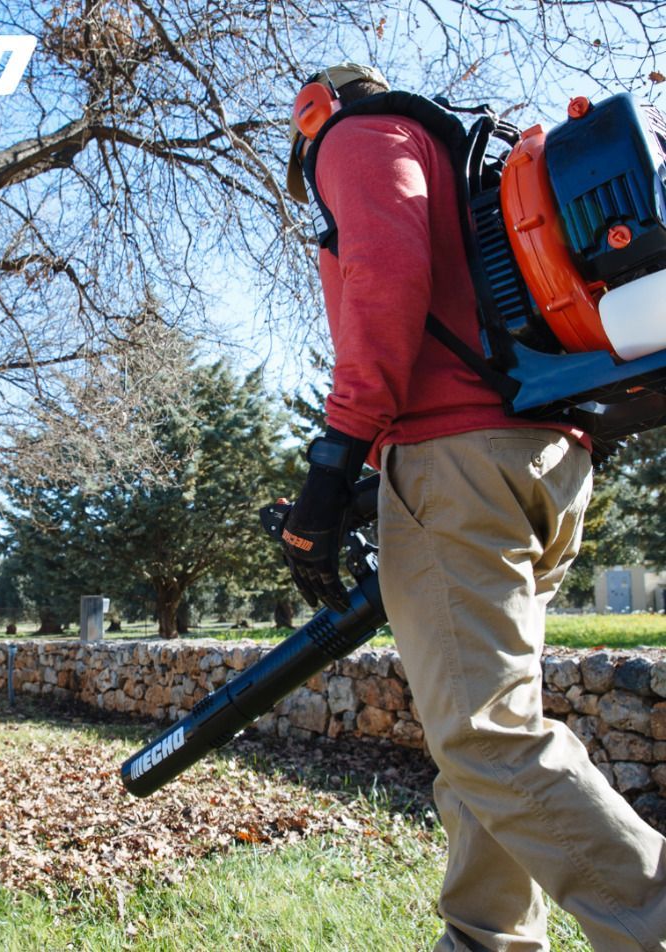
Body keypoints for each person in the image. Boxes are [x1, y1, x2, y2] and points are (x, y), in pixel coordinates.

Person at [281, 62, 666, 951]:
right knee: (487, 729)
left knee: (485, 738)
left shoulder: (356, 135)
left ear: (317, 113)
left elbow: (384, 274)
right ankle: (486, 938)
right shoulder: (465, 161)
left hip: (460, 463)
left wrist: (337, 456)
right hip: (543, 458)